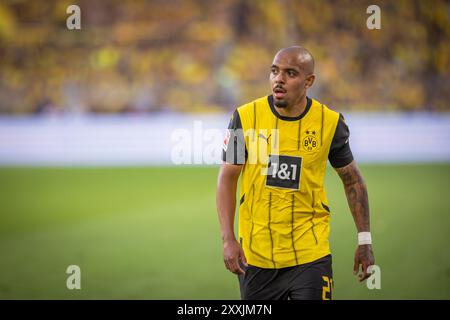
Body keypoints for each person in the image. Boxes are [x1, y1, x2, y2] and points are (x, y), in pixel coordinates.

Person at [216, 46, 375, 300]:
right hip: (256, 258)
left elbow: (352, 179)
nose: (279, 79)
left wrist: (365, 240)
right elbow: (227, 177)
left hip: (310, 254)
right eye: (274, 71)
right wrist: (228, 239)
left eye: (290, 73)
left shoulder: (330, 123)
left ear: (309, 81)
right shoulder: (244, 118)